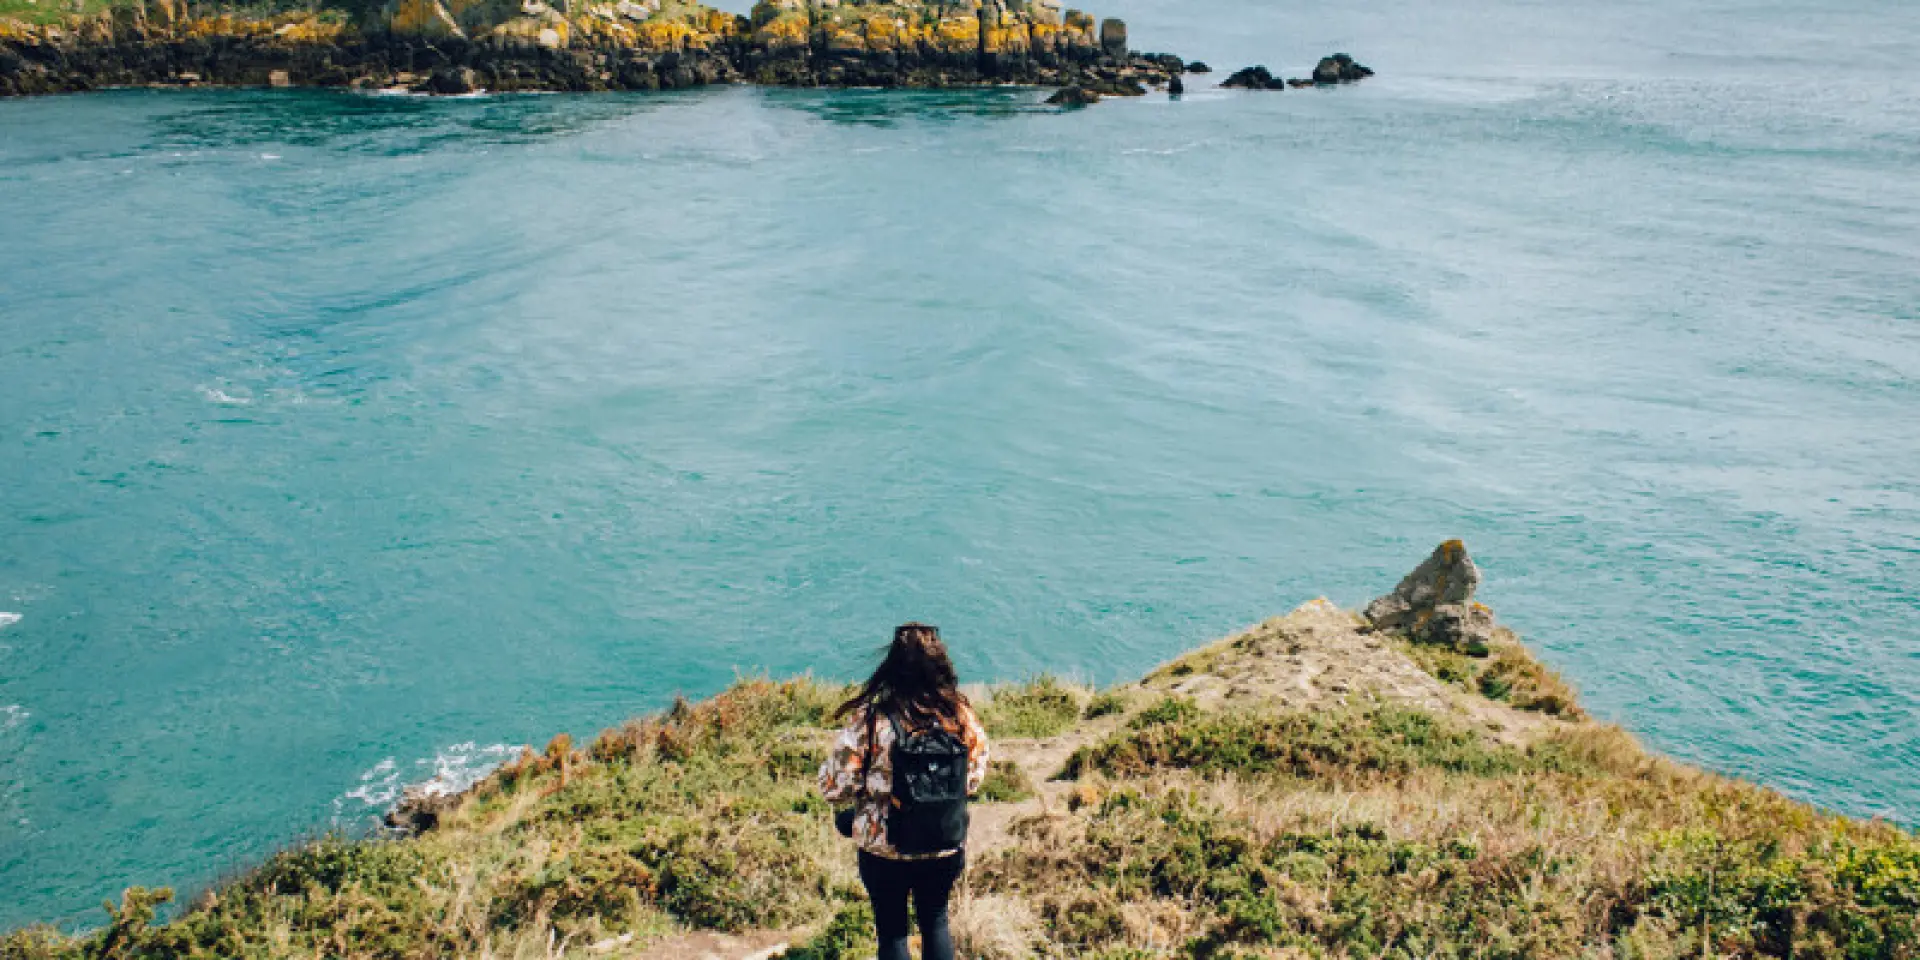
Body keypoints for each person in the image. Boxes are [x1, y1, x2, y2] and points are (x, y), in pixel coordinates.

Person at [818, 623, 990, 960]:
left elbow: (835, 787)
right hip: (944, 841)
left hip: (885, 847)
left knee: (893, 932)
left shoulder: (873, 721)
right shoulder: (960, 716)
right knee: (935, 920)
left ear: (893, 668)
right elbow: (973, 777)